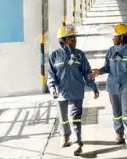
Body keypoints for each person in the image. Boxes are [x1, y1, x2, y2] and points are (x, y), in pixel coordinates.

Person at [46, 26, 99, 156]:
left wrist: (93, 87)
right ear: (63, 40)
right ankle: (65, 135)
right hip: (61, 93)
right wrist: (52, 89)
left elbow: (87, 73)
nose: (75, 40)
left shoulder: (80, 55)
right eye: (71, 38)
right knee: (64, 118)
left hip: (76, 92)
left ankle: (77, 143)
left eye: (75, 38)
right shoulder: (54, 56)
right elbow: (51, 75)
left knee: (75, 118)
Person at [91, 23, 127, 149]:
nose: (112, 38)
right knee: (117, 112)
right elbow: (107, 67)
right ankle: (119, 133)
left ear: (122, 37)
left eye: (115, 36)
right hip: (113, 86)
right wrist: (99, 71)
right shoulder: (111, 51)